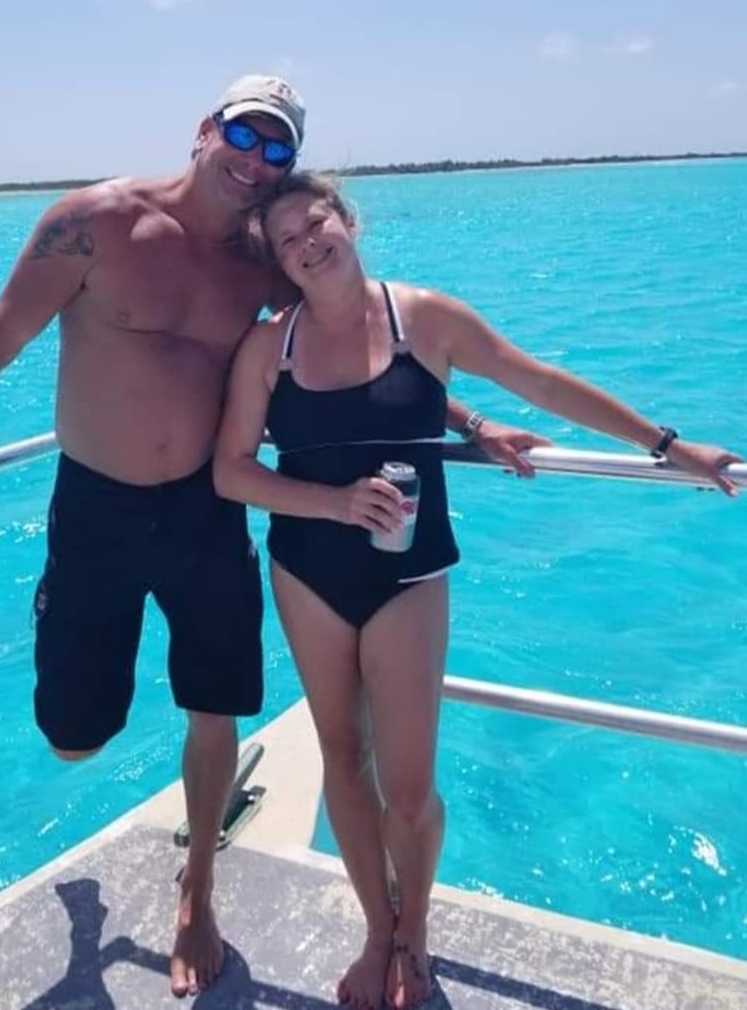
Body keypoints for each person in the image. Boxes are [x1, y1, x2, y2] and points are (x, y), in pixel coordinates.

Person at [0, 78, 547, 998]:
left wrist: (471, 423)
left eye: (278, 149)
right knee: (73, 738)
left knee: (215, 707)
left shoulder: (260, 262)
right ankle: (113, 869)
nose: (257, 160)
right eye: (245, 135)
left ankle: (197, 890)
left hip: (207, 508)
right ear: (206, 129)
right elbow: (0, 333)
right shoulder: (93, 224)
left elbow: (354, 342)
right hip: (96, 509)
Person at [213, 172, 741, 1010]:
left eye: (316, 223)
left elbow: (542, 383)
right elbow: (233, 472)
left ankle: (414, 934)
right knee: (343, 760)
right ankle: (375, 931)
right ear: (278, 262)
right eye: (288, 241)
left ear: (346, 219)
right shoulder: (268, 348)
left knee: (408, 788)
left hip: (409, 573)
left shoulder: (425, 318)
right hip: (308, 572)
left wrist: (668, 446)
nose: (309, 244)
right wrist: (337, 503)